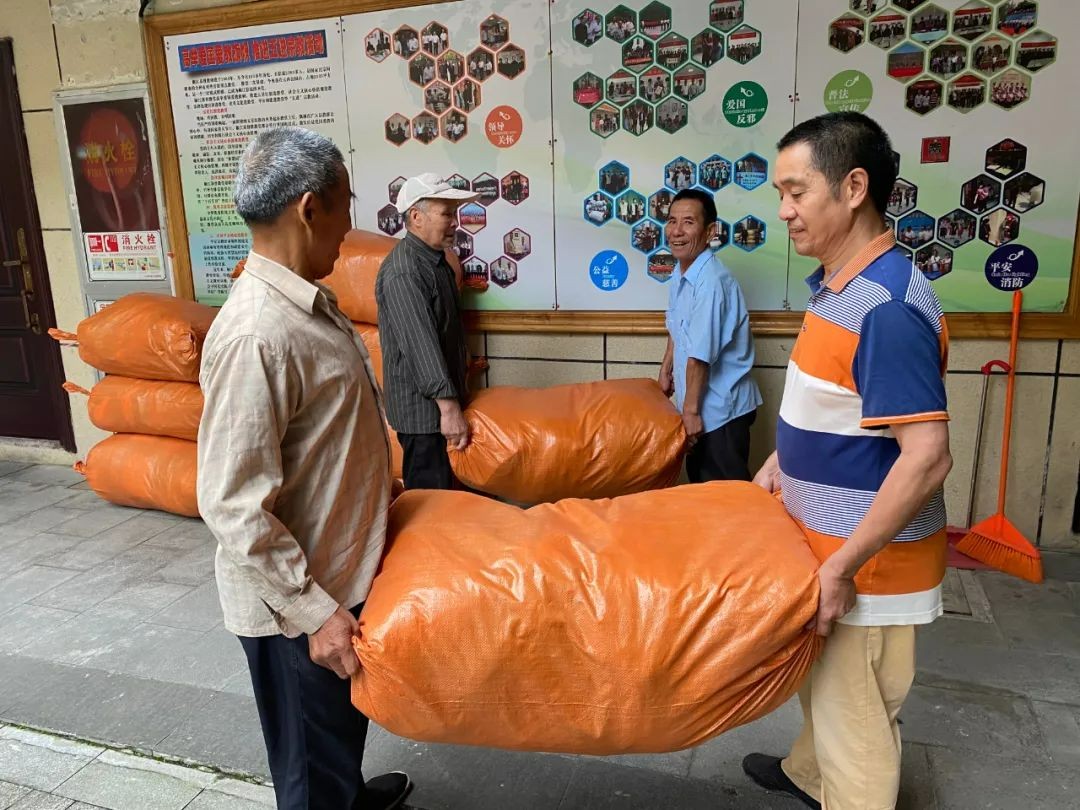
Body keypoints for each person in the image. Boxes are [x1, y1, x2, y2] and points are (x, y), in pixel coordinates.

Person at [197, 127, 411, 810]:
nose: (350, 225)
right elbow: (232, 503)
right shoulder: (257, 333)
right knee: (309, 770)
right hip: (294, 602)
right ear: (310, 207)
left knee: (336, 730)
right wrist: (314, 613)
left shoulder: (305, 303)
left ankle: (346, 793)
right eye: (347, 205)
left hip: (336, 570)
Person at [743, 112, 952, 810]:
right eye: (782, 193)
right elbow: (836, 402)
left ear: (853, 187)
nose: (784, 210)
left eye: (797, 192)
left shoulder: (886, 306)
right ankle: (810, 773)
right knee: (828, 688)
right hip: (830, 548)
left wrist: (841, 569)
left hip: (868, 569)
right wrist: (785, 458)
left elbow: (926, 458)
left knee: (855, 718)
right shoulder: (841, 284)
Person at [376, 173, 478, 490]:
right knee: (431, 500)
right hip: (424, 415)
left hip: (440, 408)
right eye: (446, 214)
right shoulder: (404, 271)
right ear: (416, 217)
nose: (454, 222)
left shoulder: (436, 261)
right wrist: (448, 409)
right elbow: (421, 346)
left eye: (454, 213)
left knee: (452, 499)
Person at [658, 188, 762, 482]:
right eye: (672, 221)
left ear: (710, 231)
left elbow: (699, 356)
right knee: (703, 494)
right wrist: (666, 368)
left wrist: (690, 413)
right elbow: (678, 327)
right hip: (700, 405)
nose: (677, 231)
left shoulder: (712, 281)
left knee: (726, 498)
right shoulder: (681, 273)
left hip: (720, 414)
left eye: (688, 222)